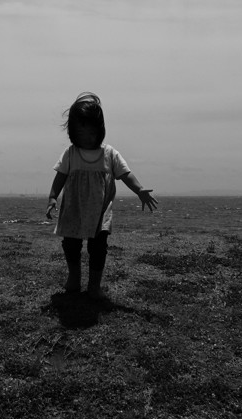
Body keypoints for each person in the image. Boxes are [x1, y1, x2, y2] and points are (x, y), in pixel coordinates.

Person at [46, 91, 158, 299]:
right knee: (71, 244)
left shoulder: (109, 154)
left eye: (91, 133)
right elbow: (60, 176)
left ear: (100, 130)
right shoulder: (70, 154)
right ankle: (74, 278)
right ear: (72, 132)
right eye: (80, 134)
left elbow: (125, 174)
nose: (86, 138)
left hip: (100, 212)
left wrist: (139, 189)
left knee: (98, 247)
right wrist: (53, 197)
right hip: (74, 209)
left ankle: (94, 286)